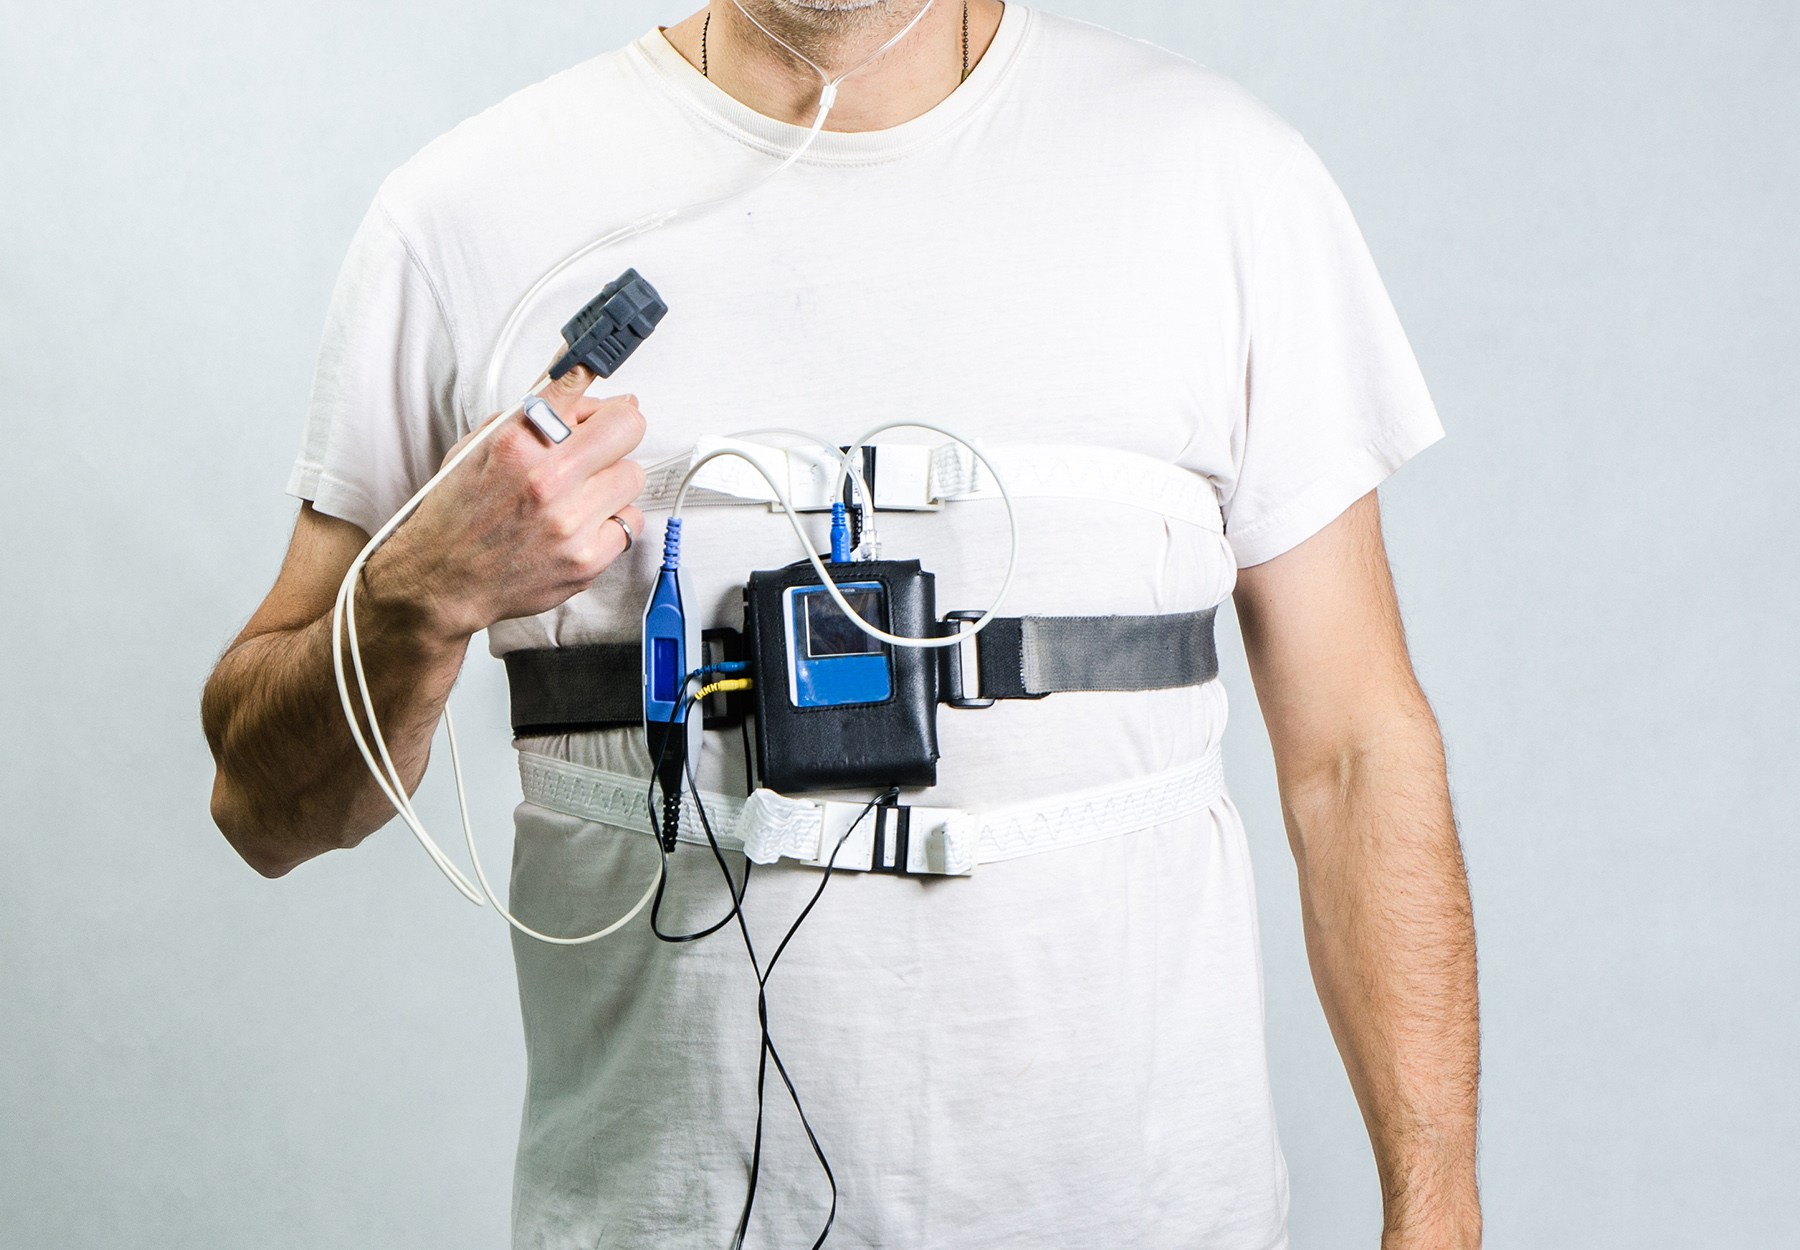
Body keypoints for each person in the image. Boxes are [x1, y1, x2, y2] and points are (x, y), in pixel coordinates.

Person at [201, 2, 1480, 1246]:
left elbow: (1356, 750)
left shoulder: (1225, 185)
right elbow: (266, 810)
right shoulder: (469, 219)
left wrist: (1438, 1208)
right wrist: (419, 595)